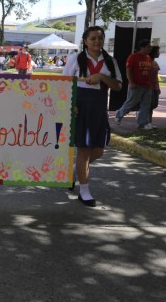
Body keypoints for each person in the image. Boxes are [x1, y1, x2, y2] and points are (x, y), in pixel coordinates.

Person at [62, 26, 122, 207]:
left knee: (98, 151)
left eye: (100, 38)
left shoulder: (110, 61)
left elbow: (118, 86)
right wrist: (70, 105)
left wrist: (102, 77)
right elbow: (64, 84)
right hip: (80, 108)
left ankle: (74, 171)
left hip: (99, 108)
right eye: (93, 38)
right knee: (84, 150)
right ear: (85, 41)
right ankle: (84, 190)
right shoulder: (75, 59)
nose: (97, 41)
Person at [114, 39, 154, 130]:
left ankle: (142, 124)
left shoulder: (148, 58)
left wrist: (150, 83)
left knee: (146, 105)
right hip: (136, 85)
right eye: (148, 47)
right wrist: (131, 82)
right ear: (142, 47)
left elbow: (149, 71)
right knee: (131, 103)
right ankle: (119, 114)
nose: (150, 49)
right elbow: (128, 70)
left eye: (150, 47)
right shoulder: (133, 57)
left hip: (146, 85)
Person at [148, 46, 161, 128]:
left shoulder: (155, 63)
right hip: (148, 87)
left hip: (155, 87)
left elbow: (156, 76)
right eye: (157, 51)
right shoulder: (147, 62)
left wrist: (158, 87)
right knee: (149, 105)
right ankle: (147, 122)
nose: (159, 53)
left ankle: (149, 122)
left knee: (153, 105)